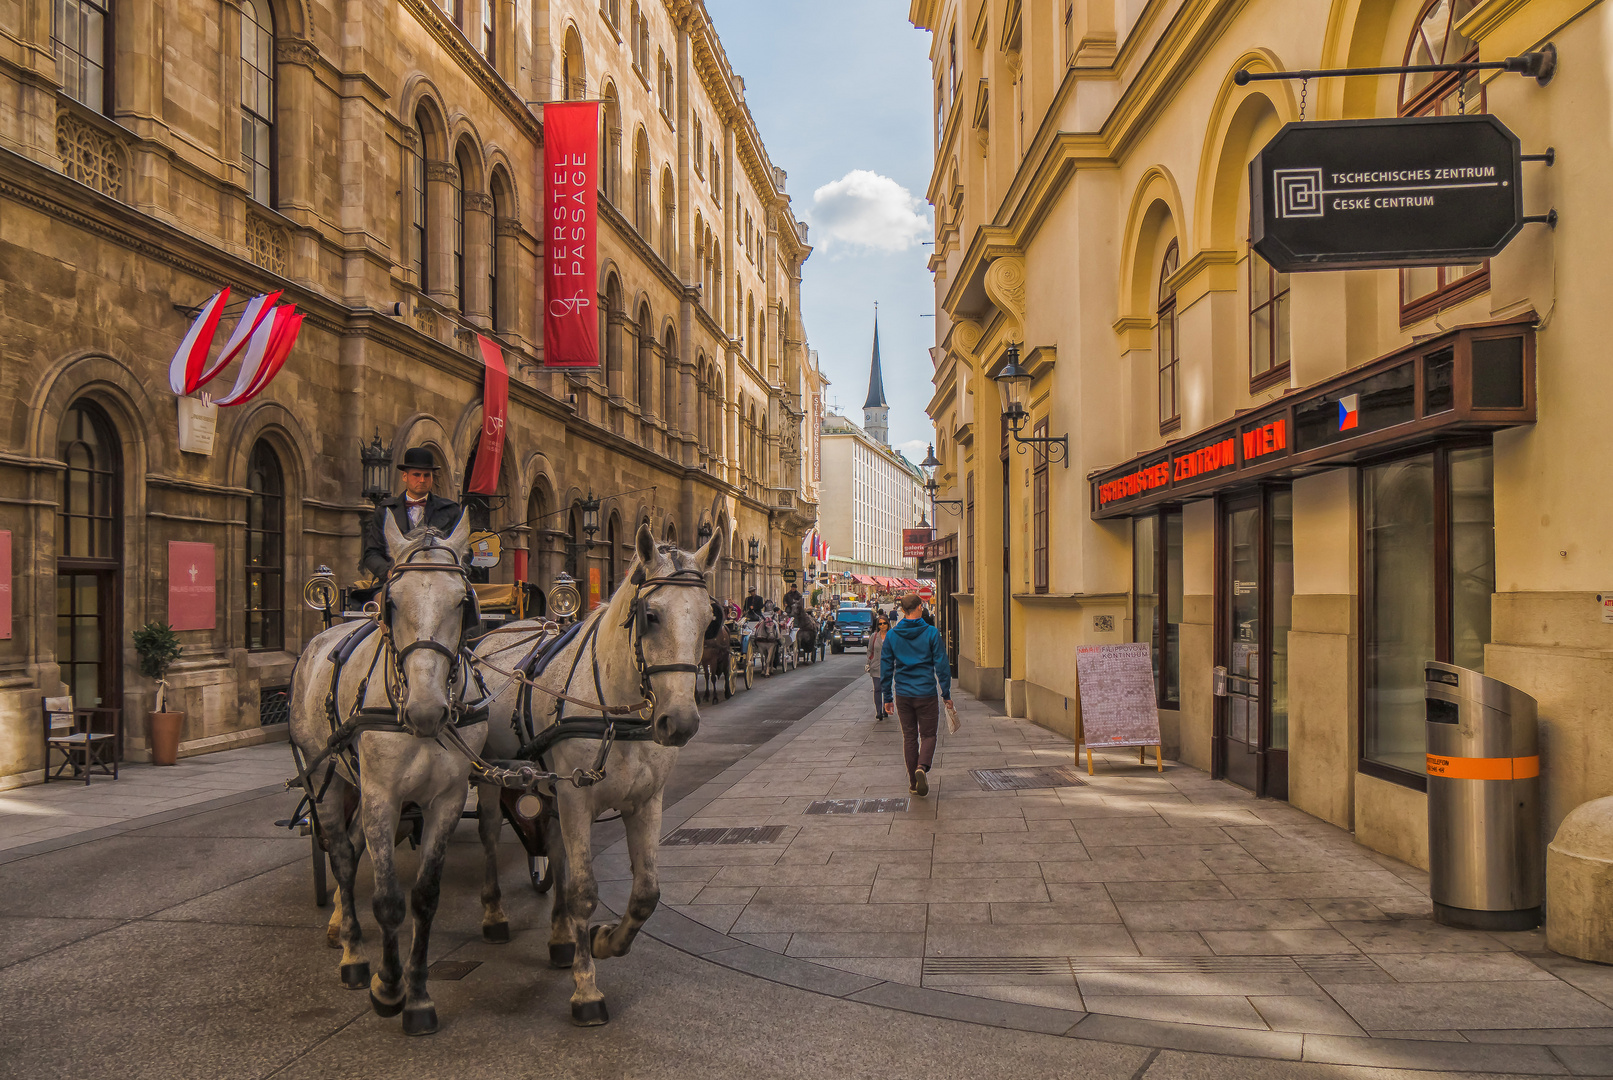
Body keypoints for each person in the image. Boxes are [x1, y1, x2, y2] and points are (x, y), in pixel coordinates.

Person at [880, 592, 952, 797]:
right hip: (926, 692)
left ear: (902, 611)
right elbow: (941, 664)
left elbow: (886, 667)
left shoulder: (892, 635)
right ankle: (922, 766)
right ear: (920, 607)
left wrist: (887, 697)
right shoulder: (931, 633)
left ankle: (913, 782)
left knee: (909, 737)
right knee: (928, 734)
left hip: (903, 693)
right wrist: (945, 693)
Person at [360, 446, 462, 583]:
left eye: (427, 475)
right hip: (395, 580)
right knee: (376, 603)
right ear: (404, 476)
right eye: (416, 475)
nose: (422, 480)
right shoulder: (385, 511)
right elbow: (371, 554)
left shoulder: (450, 510)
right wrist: (388, 572)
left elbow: (464, 551)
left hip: (440, 582)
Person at [865, 615, 890, 720]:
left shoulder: (892, 636)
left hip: (888, 666)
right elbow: (870, 650)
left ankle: (886, 708)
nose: (882, 625)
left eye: (884, 623)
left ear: (888, 624)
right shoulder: (874, 636)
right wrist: (868, 663)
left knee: (886, 689)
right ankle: (878, 711)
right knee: (877, 689)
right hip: (876, 665)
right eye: (880, 623)